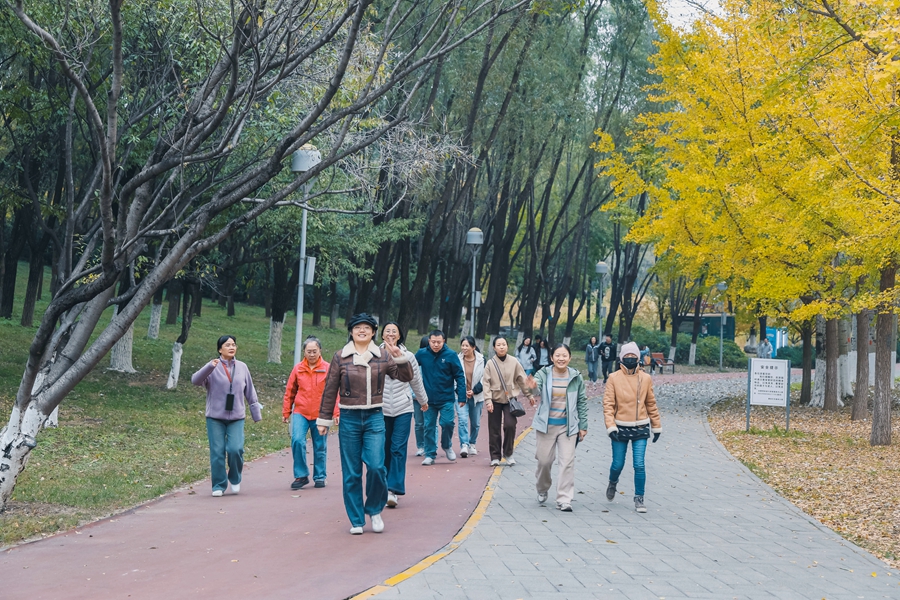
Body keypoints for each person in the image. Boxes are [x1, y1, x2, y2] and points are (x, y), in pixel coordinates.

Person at [316, 313, 413, 535]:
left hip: (374, 417)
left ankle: (375, 510)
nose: (362, 331)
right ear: (351, 332)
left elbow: (405, 377)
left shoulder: (382, 356)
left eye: (367, 328)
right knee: (352, 473)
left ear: (373, 332)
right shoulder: (340, 357)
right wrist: (324, 419)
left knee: (377, 467)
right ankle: (357, 520)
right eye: (357, 327)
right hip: (349, 418)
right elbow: (330, 389)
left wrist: (399, 357)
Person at [191, 335, 262, 497]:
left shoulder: (242, 367)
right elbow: (195, 380)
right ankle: (219, 485)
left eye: (234, 344)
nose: (231, 347)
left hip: (236, 417)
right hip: (215, 417)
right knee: (217, 452)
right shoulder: (212, 367)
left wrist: (256, 413)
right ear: (219, 349)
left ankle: (235, 478)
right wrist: (209, 366)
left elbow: (250, 391)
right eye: (227, 345)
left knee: (235, 449)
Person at [603, 341, 662, 513]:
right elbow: (608, 405)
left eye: (633, 356)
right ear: (622, 358)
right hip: (620, 427)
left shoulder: (645, 378)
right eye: (627, 356)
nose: (630, 358)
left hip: (640, 426)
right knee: (617, 464)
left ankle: (639, 497)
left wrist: (656, 425)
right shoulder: (613, 378)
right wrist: (610, 426)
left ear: (638, 358)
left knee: (639, 464)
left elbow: (651, 403)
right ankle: (613, 482)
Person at [528, 344, 588, 512]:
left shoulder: (576, 376)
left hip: (568, 427)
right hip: (546, 426)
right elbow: (536, 388)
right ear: (552, 357)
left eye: (564, 355)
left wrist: (583, 425)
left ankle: (564, 499)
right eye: (557, 355)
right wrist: (532, 386)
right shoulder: (544, 373)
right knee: (544, 461)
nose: (561, 358)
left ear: (569, 357)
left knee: (567, 462)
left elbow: (582, 401)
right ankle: (542, 488)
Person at [380, 322, 429, 508]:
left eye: (394, 331)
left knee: (398, 448)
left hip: (403, 408)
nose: (391, 334)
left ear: (399, 335)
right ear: (382, 335)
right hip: (381, 408)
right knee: (384, 448)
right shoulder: (375, 355)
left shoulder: (408, 356)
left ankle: (393, 489)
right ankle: (383, 486)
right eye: (387, 331)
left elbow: (416, 380)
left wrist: (423, 401)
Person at [282, 337, 335, 490]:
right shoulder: (298, 369)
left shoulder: (327, 368)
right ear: (304, 352)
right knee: (297, 440)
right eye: (308, 351)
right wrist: (286, 411)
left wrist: (335, 412)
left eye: (314, 351)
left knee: (320, 445)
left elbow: (334, 392)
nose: (311, 354)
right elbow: (290, 391)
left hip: (321, 414)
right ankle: (301, 475)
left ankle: (320, 476)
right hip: (301, 412)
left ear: (320, 351)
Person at [415, 330, 467, 465]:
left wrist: (462, 396)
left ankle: (447, 445)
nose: (436, 345)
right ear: (429, 341)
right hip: (428, 399)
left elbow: (459, 376)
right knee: (429, 426)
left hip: (446, 398)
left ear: (444, 341)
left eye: (439, 342)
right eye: (433, 342)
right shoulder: (422, 354)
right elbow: (411, 369)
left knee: (447, 423)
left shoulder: (450, 355)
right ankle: (430, 454)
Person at [482, 337, 534, 467]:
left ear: (507, 346)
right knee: (494, 428)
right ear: (494, 347)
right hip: (494, 400)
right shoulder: (490, 363)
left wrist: (529, 395)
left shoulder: (514, 362)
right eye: (498, 345)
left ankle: (508, 453)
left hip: (510, 400)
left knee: (510, 425)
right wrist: (488, 400)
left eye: (504, 344)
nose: (501, 347)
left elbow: (522, 379)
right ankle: (495, 456)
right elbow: (486, 383)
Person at [457, 336, 486, 457]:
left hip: (477, 396)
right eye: (462, 345)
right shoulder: (457, 359)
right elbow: (454, 377)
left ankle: (472, 443)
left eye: (467, 346)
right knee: (462, 420)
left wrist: (474, 391)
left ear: (473, 347)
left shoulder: (482, 360)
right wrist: (461, 391)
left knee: (475, 423)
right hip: (461, 395)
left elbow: (485, 378)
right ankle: (464, 444)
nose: (464, 348)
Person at [413, 335, 430, 456]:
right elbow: (411, 379)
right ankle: (420, 446)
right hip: (416, 398)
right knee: (419, 423)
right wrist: (413, 394)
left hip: (430, 397)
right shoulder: (415, 361)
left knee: (430, 423)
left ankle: (430, 446)